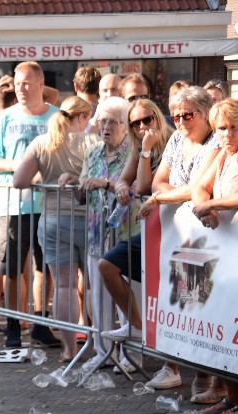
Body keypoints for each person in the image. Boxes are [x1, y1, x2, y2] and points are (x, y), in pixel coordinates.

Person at [136, 86, 220, 397]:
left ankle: (208, 376)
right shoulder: (175, 138)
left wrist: (162, 197)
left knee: (204, 303)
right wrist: (167, 194)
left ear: (205, 114)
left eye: (188, 115)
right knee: (183, 298)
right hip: (179, 232)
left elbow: (198, 188)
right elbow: (158, 180)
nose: (181, 121)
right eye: (176, 115)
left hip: (208, 233)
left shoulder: (215, 140)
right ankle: (173, 365)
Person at [0, 61, 61, 349]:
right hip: (13, 205)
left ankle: (41, 323)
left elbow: (69, 154)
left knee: (46, 267)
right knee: (12, 268)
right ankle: (13, 324)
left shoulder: (57, 118)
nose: (21, 89)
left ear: (41, 84)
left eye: (27, 83)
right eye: (17, 84)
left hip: (50, 204)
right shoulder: (3, 119)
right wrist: (20, 167)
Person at [12, 96, 92, 359]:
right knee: (91, 285)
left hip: (53, 220)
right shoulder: (93, 142)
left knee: (64, 286)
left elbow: (19, 180)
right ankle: (96, 345)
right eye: (88, 118)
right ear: (81, 117)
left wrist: (42, 176)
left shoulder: (41, 142)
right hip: (87, 219)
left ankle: (69, 349)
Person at [98, 98, 171, 345]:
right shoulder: (137, 147)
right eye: (135, 123)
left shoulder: (172, 140)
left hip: (174, 229)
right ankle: (137, 326)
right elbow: (125, 180)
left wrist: (147, 151)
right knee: (106, 265)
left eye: (147, 120)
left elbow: (143, 185)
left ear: (157, 117)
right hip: (151, 228)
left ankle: (170, 361)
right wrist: (120, 187)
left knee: (169, 290)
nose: (142, 127)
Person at [74, 96, 137, 372]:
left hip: (126, 232)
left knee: (126, 295)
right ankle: (102, 352)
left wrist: (107, 184)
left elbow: (135, 190)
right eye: (102, 121)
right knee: (98, 296)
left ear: (125, 126)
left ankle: (131, 355)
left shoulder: (133, 153)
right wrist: (74, 183)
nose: (106, 126)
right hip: (95, 232)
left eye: (113, 121)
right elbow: (82, 190)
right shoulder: (93, 152)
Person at [185, 98, 238, 414]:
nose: (229, 133)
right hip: (222, 254)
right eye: (223, 128)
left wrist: (212, 204)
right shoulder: (220, 155)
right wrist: (205, 207)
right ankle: (231, 397)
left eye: (234, 127)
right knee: (221, 323)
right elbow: (197, 189)